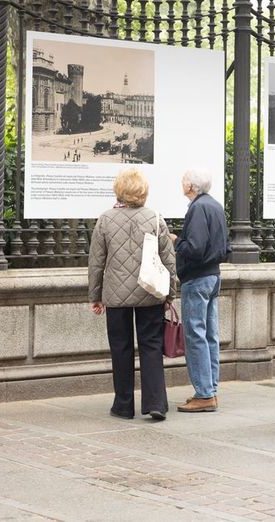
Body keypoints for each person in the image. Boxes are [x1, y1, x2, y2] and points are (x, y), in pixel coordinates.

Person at [88, 169, 177, 421]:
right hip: (149, 292)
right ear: (143, 192)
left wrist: (95, 296)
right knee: (151, 346)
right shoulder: (155, 219)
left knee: (120, 348)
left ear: (119, 191)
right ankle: (155, 403)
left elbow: (96, 262)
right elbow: (169, 260)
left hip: (116, 297)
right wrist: (170, 294)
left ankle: (123, 405)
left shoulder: (105, 220)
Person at [172, 168, 230, 413]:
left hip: (197, 278)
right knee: (209, 335)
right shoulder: (215, 205)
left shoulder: (197, 208)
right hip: (213, 276)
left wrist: (176, 241)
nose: (182, 184)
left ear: (191, 186)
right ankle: (209, 390)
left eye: (183, 181)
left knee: (195, 335)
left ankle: (205, 394)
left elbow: (195, 248)